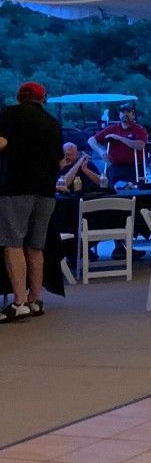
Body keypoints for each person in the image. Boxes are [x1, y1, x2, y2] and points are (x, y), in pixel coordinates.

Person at [0, 82, 63, 323]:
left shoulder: (9, 114)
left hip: (16, 188)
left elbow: (2, 142)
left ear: (19, 97)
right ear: (43, 98)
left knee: (13, 243)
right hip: (46, 192)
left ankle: (18, 303)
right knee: (36, 246)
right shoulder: (52, 123)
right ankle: (35, 299)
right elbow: (59, 162)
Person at [89, 103, 148, 187]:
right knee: (114, 192)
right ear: (119, 115)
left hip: (134, 168)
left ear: (133, 115)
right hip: (116, 167)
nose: (125, 114)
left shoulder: (139, 129)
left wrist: (119, 138)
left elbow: (140, 145)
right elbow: (91, 140)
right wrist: (101, 151)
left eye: (128, 112)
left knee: (133, 191)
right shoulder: (112, 128)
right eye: (123, 112)